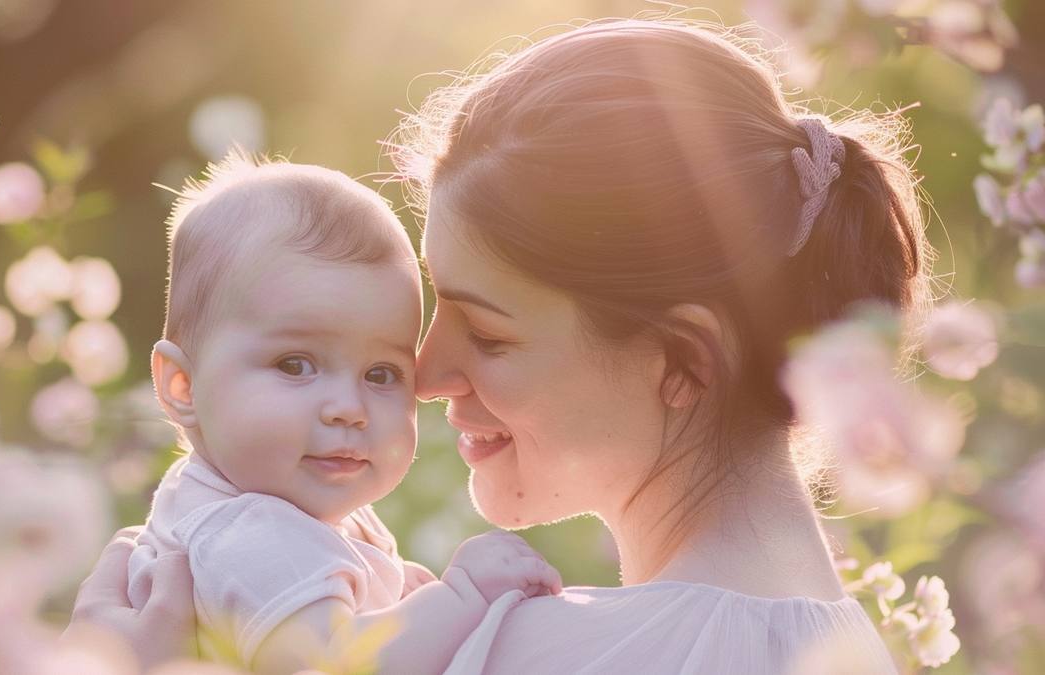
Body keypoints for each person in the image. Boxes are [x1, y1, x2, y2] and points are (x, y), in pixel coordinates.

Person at [69, 17, 923, 673]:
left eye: (486, 331)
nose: (424, 374)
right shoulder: (850, 651)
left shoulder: (513, 648)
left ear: (681, 362)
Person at [118, 156, 561, 674]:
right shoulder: (250, 533)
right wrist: (463, 595)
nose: (349, 409)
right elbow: (338, 664)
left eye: (381, 374)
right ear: (183, 385)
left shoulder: (269, 509)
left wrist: (401, 590)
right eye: (295, 365)